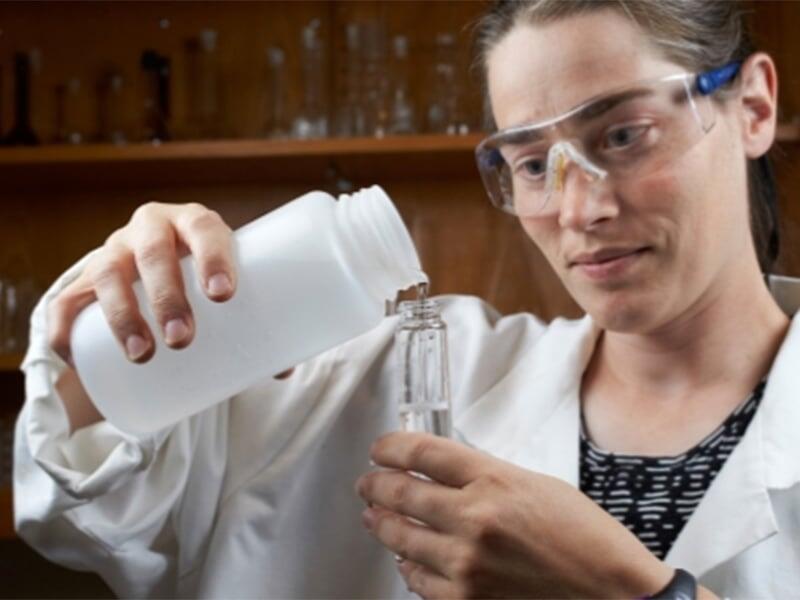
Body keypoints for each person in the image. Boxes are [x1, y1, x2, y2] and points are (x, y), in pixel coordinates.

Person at [13, 1, 800, 598]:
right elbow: (102, 513)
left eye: (624, 135)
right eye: (531, 164)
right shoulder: (395, 370)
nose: (578, 210)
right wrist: (110, 332)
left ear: (753, 107)